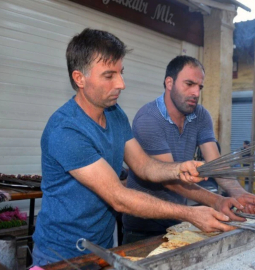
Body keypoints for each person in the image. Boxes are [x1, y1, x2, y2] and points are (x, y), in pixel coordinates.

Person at [32, 29, 236, 266]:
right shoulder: (66, 130)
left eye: (121, 73)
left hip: (102, 248)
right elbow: (119, 198)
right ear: (80, 78)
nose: (121, 84)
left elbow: (143, 165)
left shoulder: (114, 113)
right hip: (60, 255)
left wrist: (180, 168)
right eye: (109, 76)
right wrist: (191, 213)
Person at [122, 56, 255, 244]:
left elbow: (217, 165)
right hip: (144, 226)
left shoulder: (200, 115)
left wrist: (239, 194)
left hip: (180, 220)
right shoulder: (148, 119)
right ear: (169, 82)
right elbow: (170, 179)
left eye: (199, 87)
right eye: (189, 84)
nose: (196, 93)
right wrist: (216, 201)